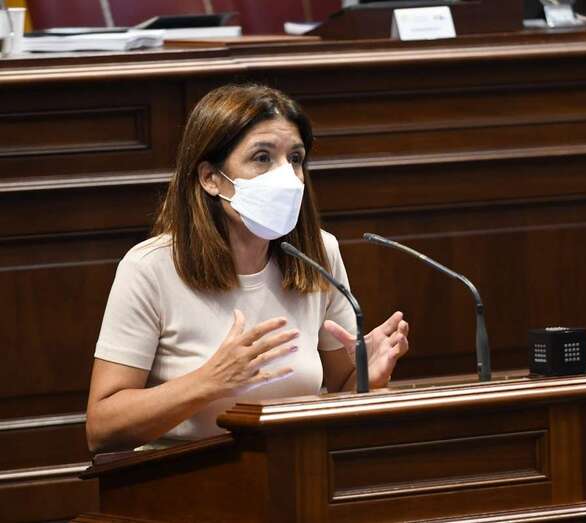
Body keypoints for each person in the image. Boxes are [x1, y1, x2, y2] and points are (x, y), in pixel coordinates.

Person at [86, 84, 409, 453]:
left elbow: (339, 390)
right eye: (262, 158)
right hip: (186, 480)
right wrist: (208, 381)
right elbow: (102, 429)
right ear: (210, 178)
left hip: (296, 471)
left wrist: (371, 377)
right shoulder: (150, 268)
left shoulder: (319, 253)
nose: (286, 176)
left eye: (296, 158)